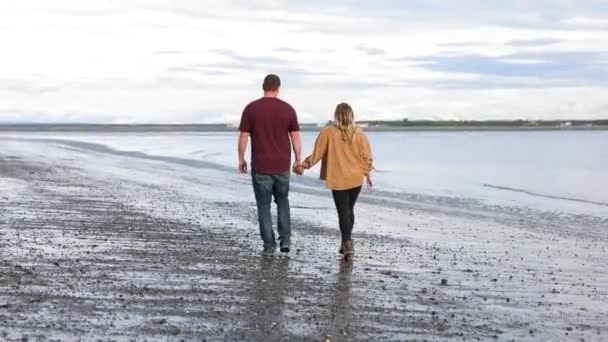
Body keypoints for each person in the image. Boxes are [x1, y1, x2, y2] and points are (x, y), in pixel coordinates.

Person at [295, 103, 373, 261]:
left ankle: (347, 243)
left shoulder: (328, 132)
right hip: (356, 178)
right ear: (351, 115)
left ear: (336, 116)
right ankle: (346, 243)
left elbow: (317, 154)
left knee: (344, 210)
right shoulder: (359, 133)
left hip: (339, 178)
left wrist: (303, 165)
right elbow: (367, 157)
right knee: (349, 209)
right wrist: (367, 173)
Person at [238, 74, 302, 256]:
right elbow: (295, 137)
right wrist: (298, 160)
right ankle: (285, 240)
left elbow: (243, 136)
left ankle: (269, 245)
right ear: (278, 88)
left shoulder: (251, 109)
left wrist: (241, 158)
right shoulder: (287, 109)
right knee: (283, 201)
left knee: (263, 206)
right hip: (282, 165)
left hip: (261, 166)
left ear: (263, 87)